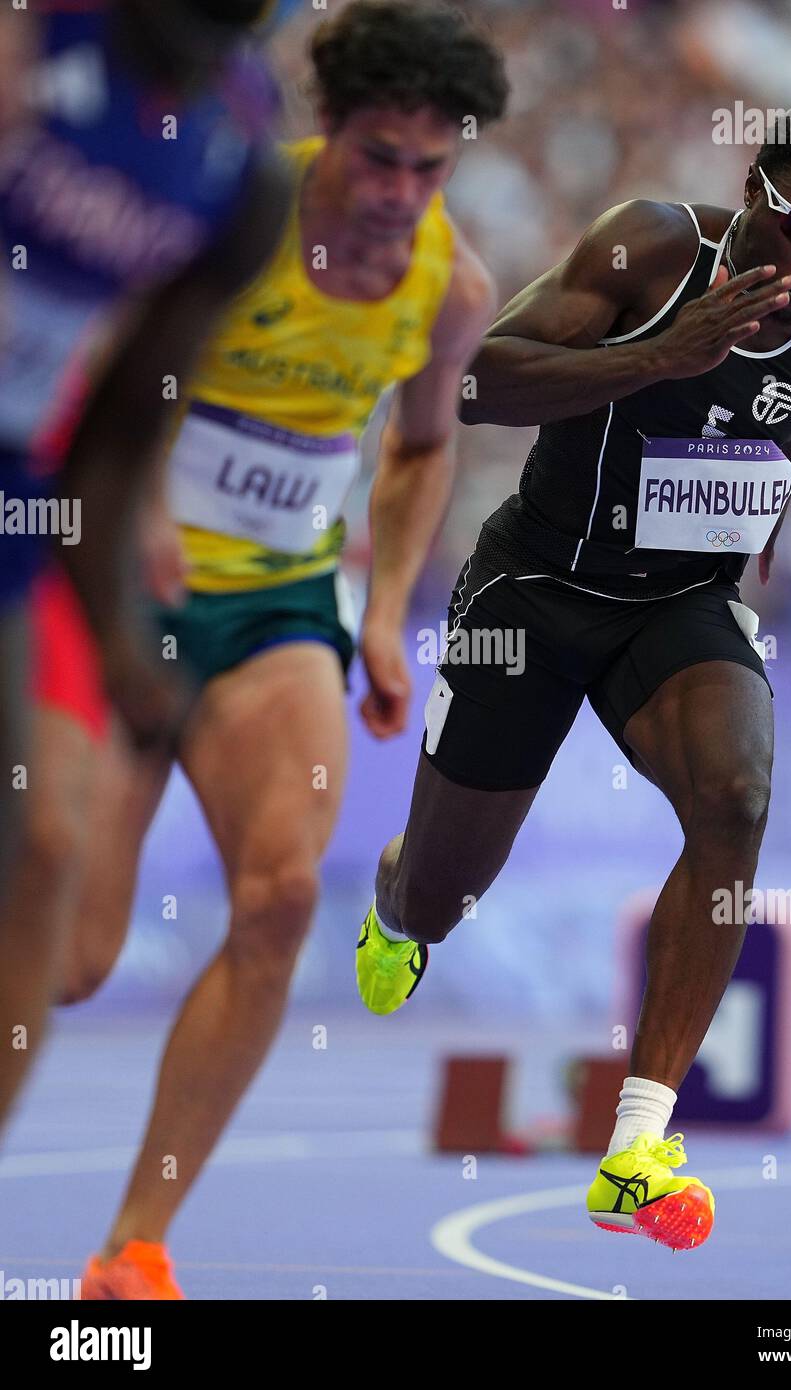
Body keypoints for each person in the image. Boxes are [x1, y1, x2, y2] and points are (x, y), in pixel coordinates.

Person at [355, 104, 791, 1250]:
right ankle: (399, 898)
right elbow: (471, 384)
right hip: (537, 586)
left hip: (678, 606)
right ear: (750, 190)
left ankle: (638, 1144)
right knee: (446, 895)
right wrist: (660, 354)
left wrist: (758, 532)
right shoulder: (646, 246)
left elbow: (774, 437)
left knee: (737, 799)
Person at [57, 0, 507, 1300]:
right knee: (70, 960)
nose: (400, 193)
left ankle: (131, 1249)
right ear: (328, 129)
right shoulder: (228, 209)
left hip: (276, 607)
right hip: (123, 592)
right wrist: (131, 513)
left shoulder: (449, 285)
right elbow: (104, 368)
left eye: (432, 168)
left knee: (282, 892)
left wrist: (378, 612)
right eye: (378, 157)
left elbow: (423, 444)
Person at [0, 0, 289, 1134]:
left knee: (35, 851)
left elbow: (120, 432)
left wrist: (122, 643)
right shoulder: (35, 38)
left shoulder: (239, 164)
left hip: (15, 480)